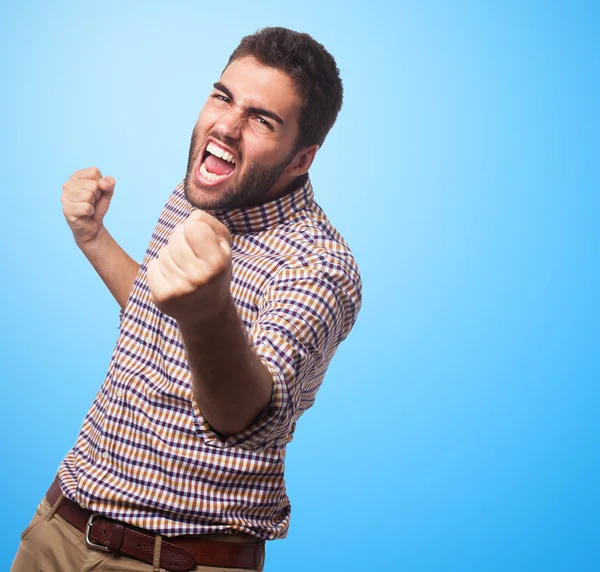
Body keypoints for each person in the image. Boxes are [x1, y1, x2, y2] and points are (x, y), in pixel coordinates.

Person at [12, 26, 362, 572]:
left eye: (262, 119)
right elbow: (155, 315)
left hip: (175, 561)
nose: (226, 125)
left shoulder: (319, 267)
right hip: (59, 526)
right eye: (223, 96)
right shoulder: (198, 193)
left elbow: (246, 415)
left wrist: (208, 313)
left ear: (301, 159)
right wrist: (94, 239)